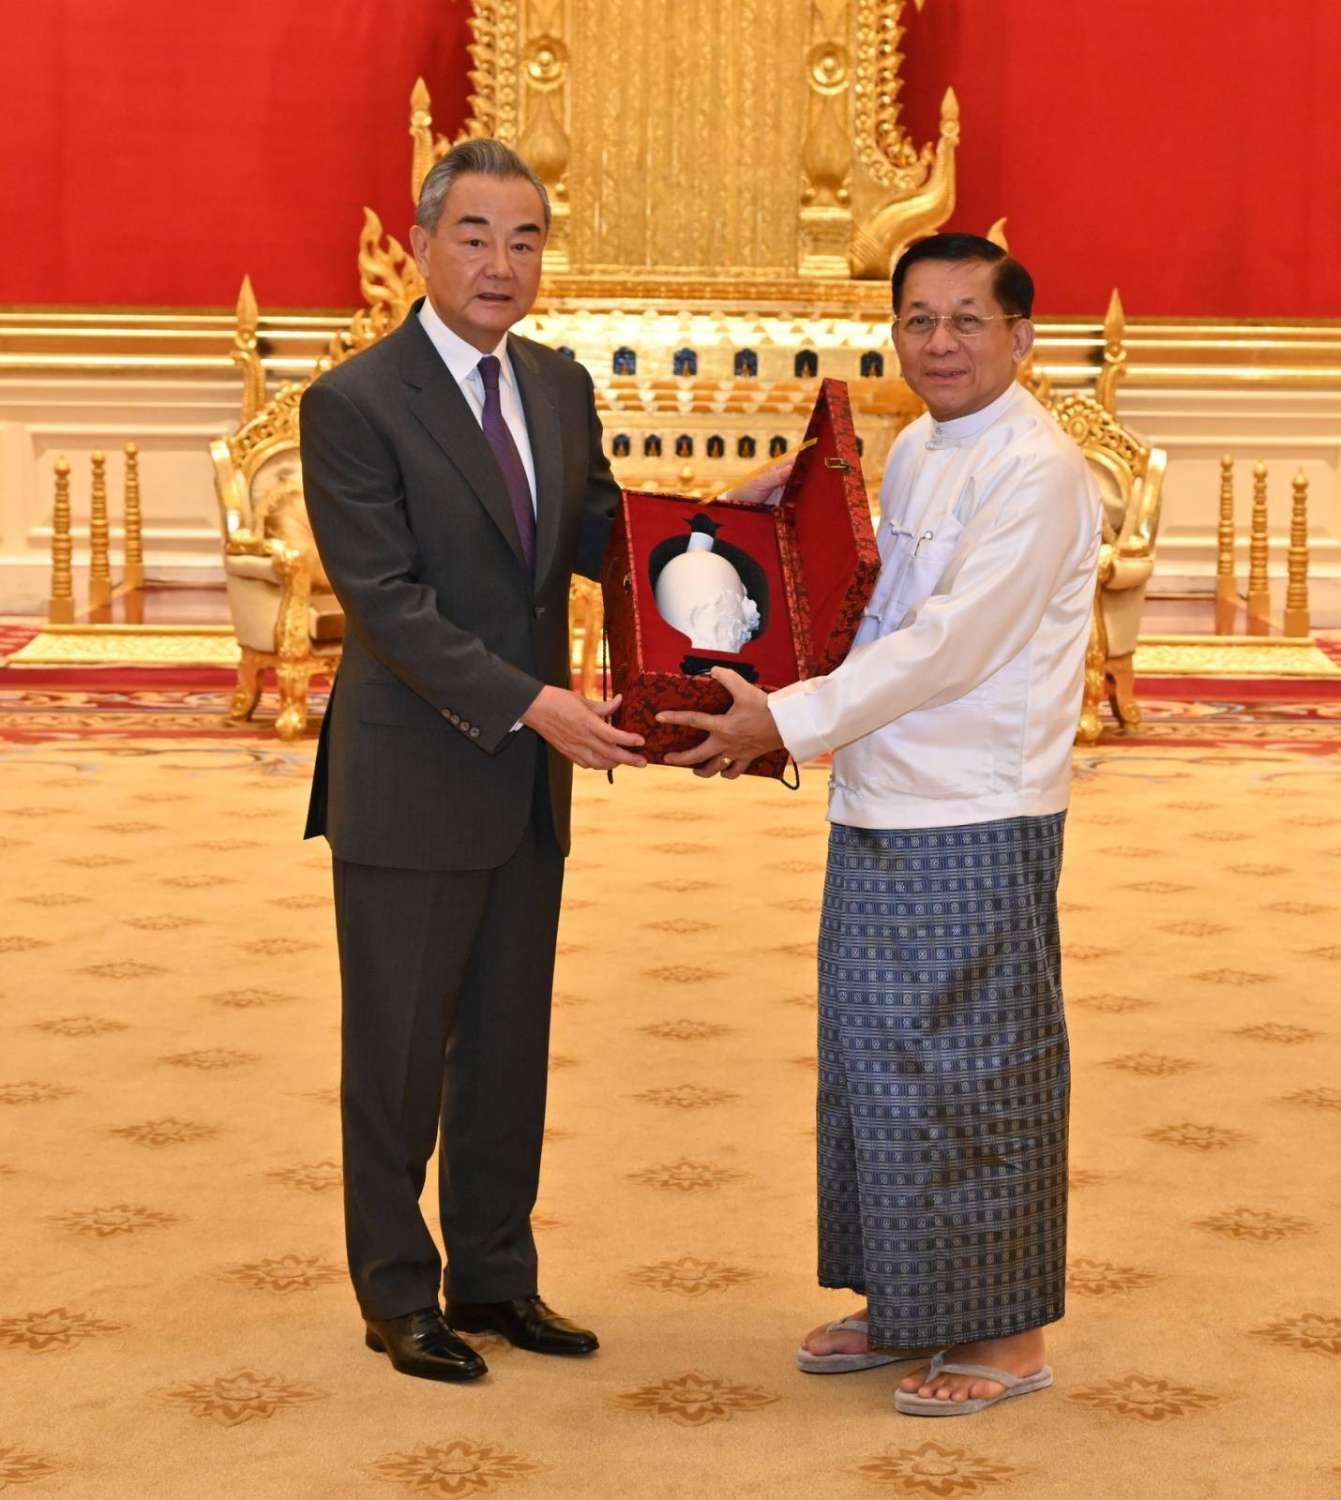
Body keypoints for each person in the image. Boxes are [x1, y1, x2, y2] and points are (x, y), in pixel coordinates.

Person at [657, 233, 1101, 1417]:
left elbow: (953, 646)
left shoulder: (1040, 472)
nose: (940, 343)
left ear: (1021, 336)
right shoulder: (910, 454)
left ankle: (1008, 1335)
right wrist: (778, 519)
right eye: (918, 320)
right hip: (881, 792)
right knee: (878, 1063)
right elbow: (860, 601)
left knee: (980, 1069)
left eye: (967, 320)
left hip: (977, 807)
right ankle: (906, 1301)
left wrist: (784, 721)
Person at [300, 138, 646, 1384]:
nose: (502, 263)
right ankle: (398, 1294)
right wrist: (533, 705)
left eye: (525, 239)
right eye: (476, 236)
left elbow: (603, 532)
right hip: (413, 777)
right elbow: (388, 605)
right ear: (422, 246)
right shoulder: (353, 402)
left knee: (506, 1046)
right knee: (397, 1060)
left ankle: (497, 1277)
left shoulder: (556, 384)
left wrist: (726, 527)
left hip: (525, 791)